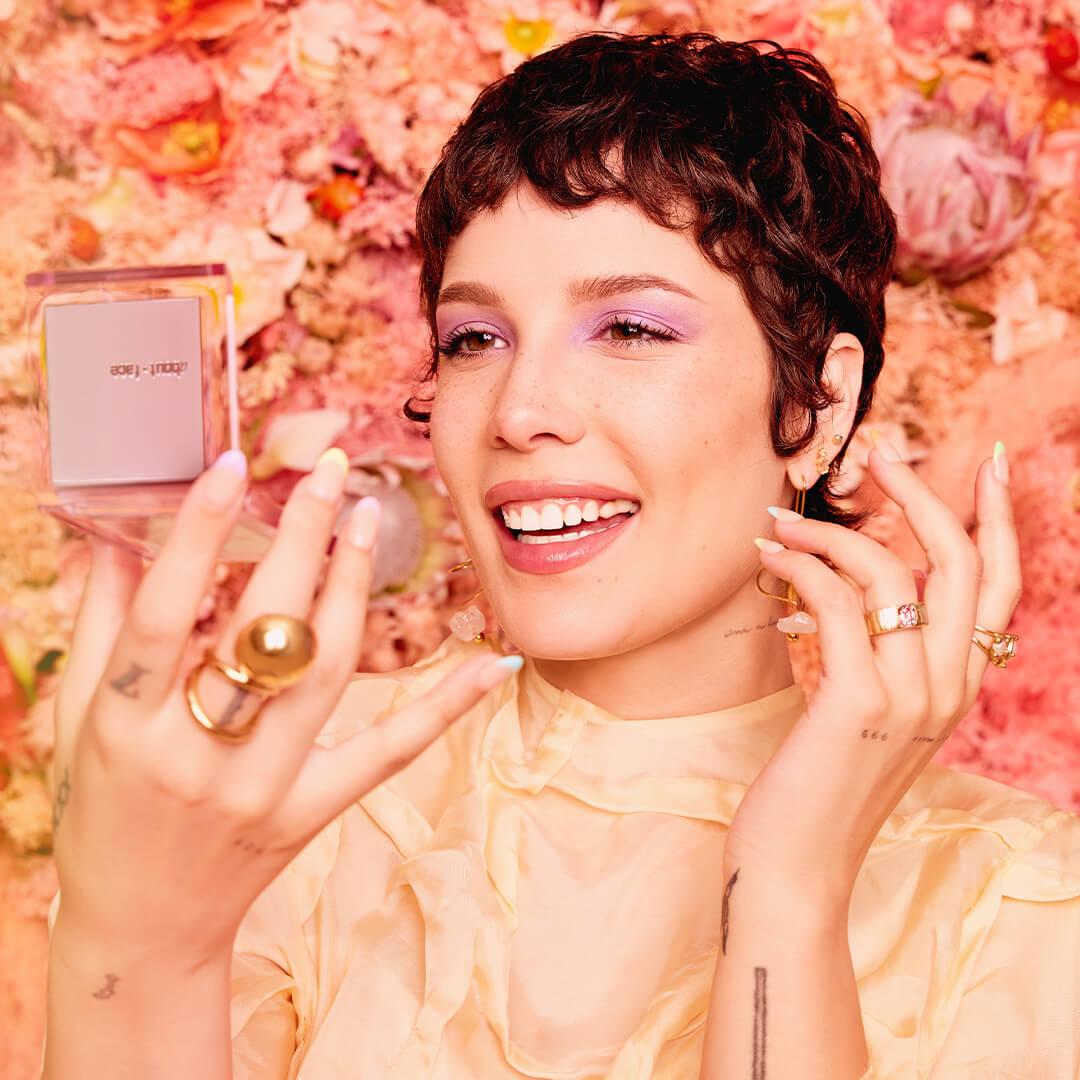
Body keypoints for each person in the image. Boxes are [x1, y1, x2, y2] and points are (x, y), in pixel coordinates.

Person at [40, 31, 1077, 1080]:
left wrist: (787, 887)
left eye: (630, 330)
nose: (519, 410)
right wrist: (128, 940)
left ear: (818, 402)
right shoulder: (292, 790)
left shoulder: (1020, 907)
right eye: (474, 340)